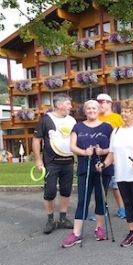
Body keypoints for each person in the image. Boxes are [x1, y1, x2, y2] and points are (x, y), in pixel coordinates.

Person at [96, 99, 133, 249]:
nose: (124, 114)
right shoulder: (116, 131)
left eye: (128, 111)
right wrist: (104, 164)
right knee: (127, 204)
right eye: (123, 111)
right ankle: (131, 232)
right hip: (121, 174)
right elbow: (112, 153)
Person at [61, 100, 113, 248]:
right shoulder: (77, 127)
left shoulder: (107, 127)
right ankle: (76, 233)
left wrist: (103, 151)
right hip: (85, 168)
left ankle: (99, 229)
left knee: (100, 198)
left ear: (99, 110)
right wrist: (84, 152)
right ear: (85, 111)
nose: (91, 111)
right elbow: (72, 147)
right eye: (88, 108)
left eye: (94, 108)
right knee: (82, 200)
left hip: (102, 168)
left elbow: (113, 147)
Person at [32, 94, 77, 234]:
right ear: (59, 105)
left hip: (68, 162)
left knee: (65, 191)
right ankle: (50, 220)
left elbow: (75, 139)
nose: (70, 106)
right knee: (50, 191)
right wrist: (38, 160)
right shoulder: (46, 119)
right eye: (68, 104)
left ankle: (63, 218)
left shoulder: (72, 120)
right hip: (51, 163)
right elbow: (36, 140)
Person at [93, 93, 126, 219]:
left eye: (102, 102)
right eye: (98, 102)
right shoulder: (96, 117)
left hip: (115, 156)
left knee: (116, 185)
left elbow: (122, 136)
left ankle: (122, 209)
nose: (100, 105)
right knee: (101, 185)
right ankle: (101, 210)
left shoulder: (117, 118)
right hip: (99, 156)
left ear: (109, 103)